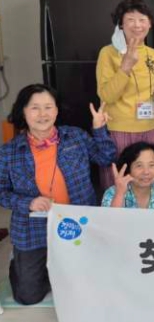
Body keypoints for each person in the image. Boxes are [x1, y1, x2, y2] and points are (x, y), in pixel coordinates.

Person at [0, 84, 116, 305]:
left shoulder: (75, 136)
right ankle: (22, 262)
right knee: (28, 296)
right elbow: (1, 191)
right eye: (35, 108)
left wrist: (99, 128)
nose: (42, 114)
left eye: (48, 107)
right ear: (23, 111)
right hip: (33, 228)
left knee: (88, 286)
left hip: (76, 222)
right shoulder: (8, 152)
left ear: (56, 110)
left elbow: (106, 157)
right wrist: (28, 202)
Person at [96, 0, 154, 189]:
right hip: (120, 129)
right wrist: (125, 66)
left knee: (149, 183)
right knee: (121, 184)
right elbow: (107, 95)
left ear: (149, 24)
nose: (137, 25)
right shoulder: (108, 53)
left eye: (142, 19)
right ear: (121, 24)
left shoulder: (153, 54)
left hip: (150, 128)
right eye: (130, 20)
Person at [101, 141, 154, 209]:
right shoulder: (112, 193)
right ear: (128, 169)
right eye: (139, 166)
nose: (146, 172)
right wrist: (119, 194)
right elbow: (110, 220)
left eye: (151, 165)